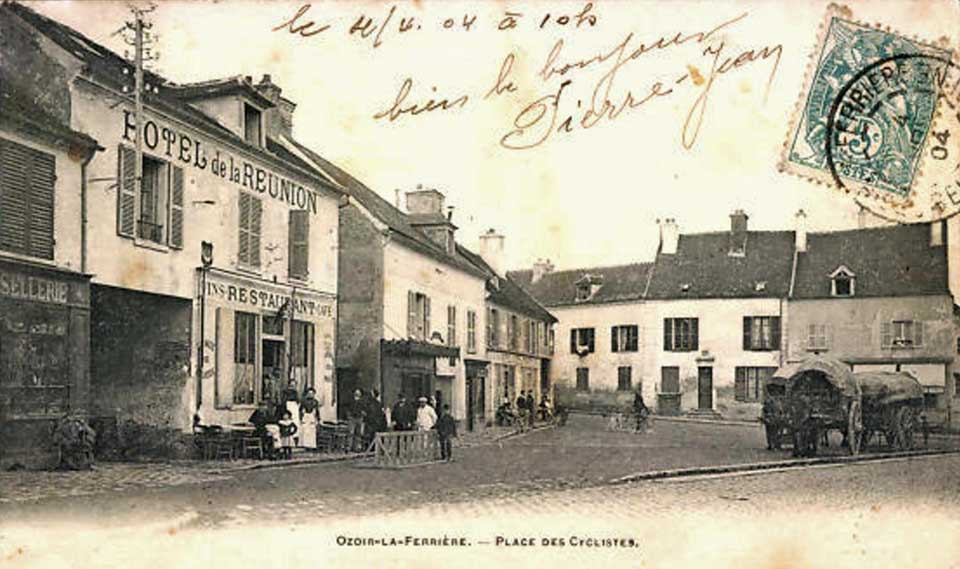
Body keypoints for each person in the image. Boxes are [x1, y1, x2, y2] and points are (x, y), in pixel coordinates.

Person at [281, 378, 301, 446]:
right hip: (288, 406)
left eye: (294, 385)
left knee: (295, 422)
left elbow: (298, 401)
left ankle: (295, 440)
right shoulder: (285, 392)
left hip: (294, 408)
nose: (292, 386)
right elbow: (284, 401)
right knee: (288, 422)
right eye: (291, 385)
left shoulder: (296, 392)